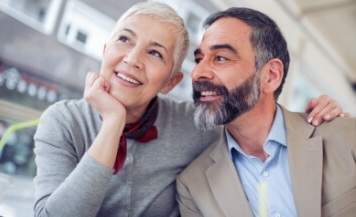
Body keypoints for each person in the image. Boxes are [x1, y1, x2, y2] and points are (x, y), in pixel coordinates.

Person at [33, 2, 347, 217]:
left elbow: (251, 115)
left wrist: (318, 117)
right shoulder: (63, 121)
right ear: (105, 50)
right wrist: (112, 122)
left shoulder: (196, 124)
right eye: (124, 40)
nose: (131, 58)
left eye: (154, 52)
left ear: (171, 82)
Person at [176, 7, 356, 217]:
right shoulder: (192, 187)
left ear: (270, 76)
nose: (197, 72)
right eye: (199, 59)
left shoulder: (348, 137)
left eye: (221, 58)